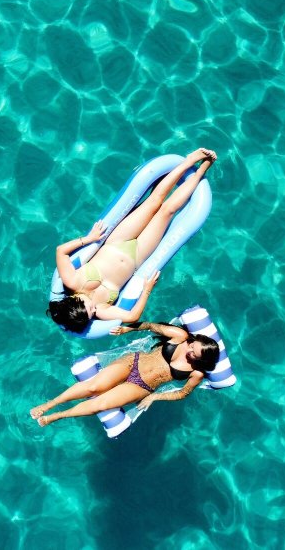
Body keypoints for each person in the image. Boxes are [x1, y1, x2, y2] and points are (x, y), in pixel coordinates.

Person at [48, 148, 217, 334]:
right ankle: (201, 171)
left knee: (155, 201)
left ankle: (189, 161)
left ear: (75, 301)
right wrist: (147, 290)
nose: (94, 310)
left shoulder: (72, 281)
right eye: (91, 315)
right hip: (138, 255)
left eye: (89, 308)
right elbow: (132, 317)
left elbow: (60, 251)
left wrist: (89, 239)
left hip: (118, 240)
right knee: (167, 211)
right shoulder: (101, 311)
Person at [30, 321, 220, 427]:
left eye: (195, 354)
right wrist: (127, 329)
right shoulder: (180, 337)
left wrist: (155, 397)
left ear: (202, 360)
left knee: (100, 404)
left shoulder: (197, 373)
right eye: (193, 346)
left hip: (142, 386)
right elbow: (150, 326)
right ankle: (50, 404)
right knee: (94, 387)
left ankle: (57, 416)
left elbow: (182, 393)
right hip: (133, 363)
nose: (190, 351)